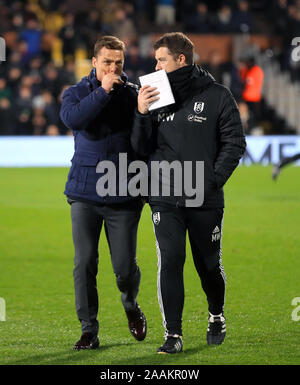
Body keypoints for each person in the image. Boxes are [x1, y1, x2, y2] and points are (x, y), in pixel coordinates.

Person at [131, 32, 246, 354]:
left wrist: (212, 181)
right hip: (164, 194)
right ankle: (173, 335)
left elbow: (234, 142)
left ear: (181, 60)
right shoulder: (154, 95)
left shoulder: (217, 95)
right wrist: (141, 113)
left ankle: (216, 314)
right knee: (170, 260)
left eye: (161, 59)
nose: (155, 65)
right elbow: (140, 147)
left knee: (207, 264)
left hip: (204, 196)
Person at [60, 35, 146, 351]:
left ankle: (130, 302)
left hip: (124, 194)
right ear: (94, 62)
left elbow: (141, 144)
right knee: (84, 262)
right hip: (84, 193)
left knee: (124, 269)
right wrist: (105, 91)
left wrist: (143, 113)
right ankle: (88, 330)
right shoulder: (76, 93)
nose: (113, 68)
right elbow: (75, 120)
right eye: (107, 62)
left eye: (118, 63)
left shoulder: (133, 94)